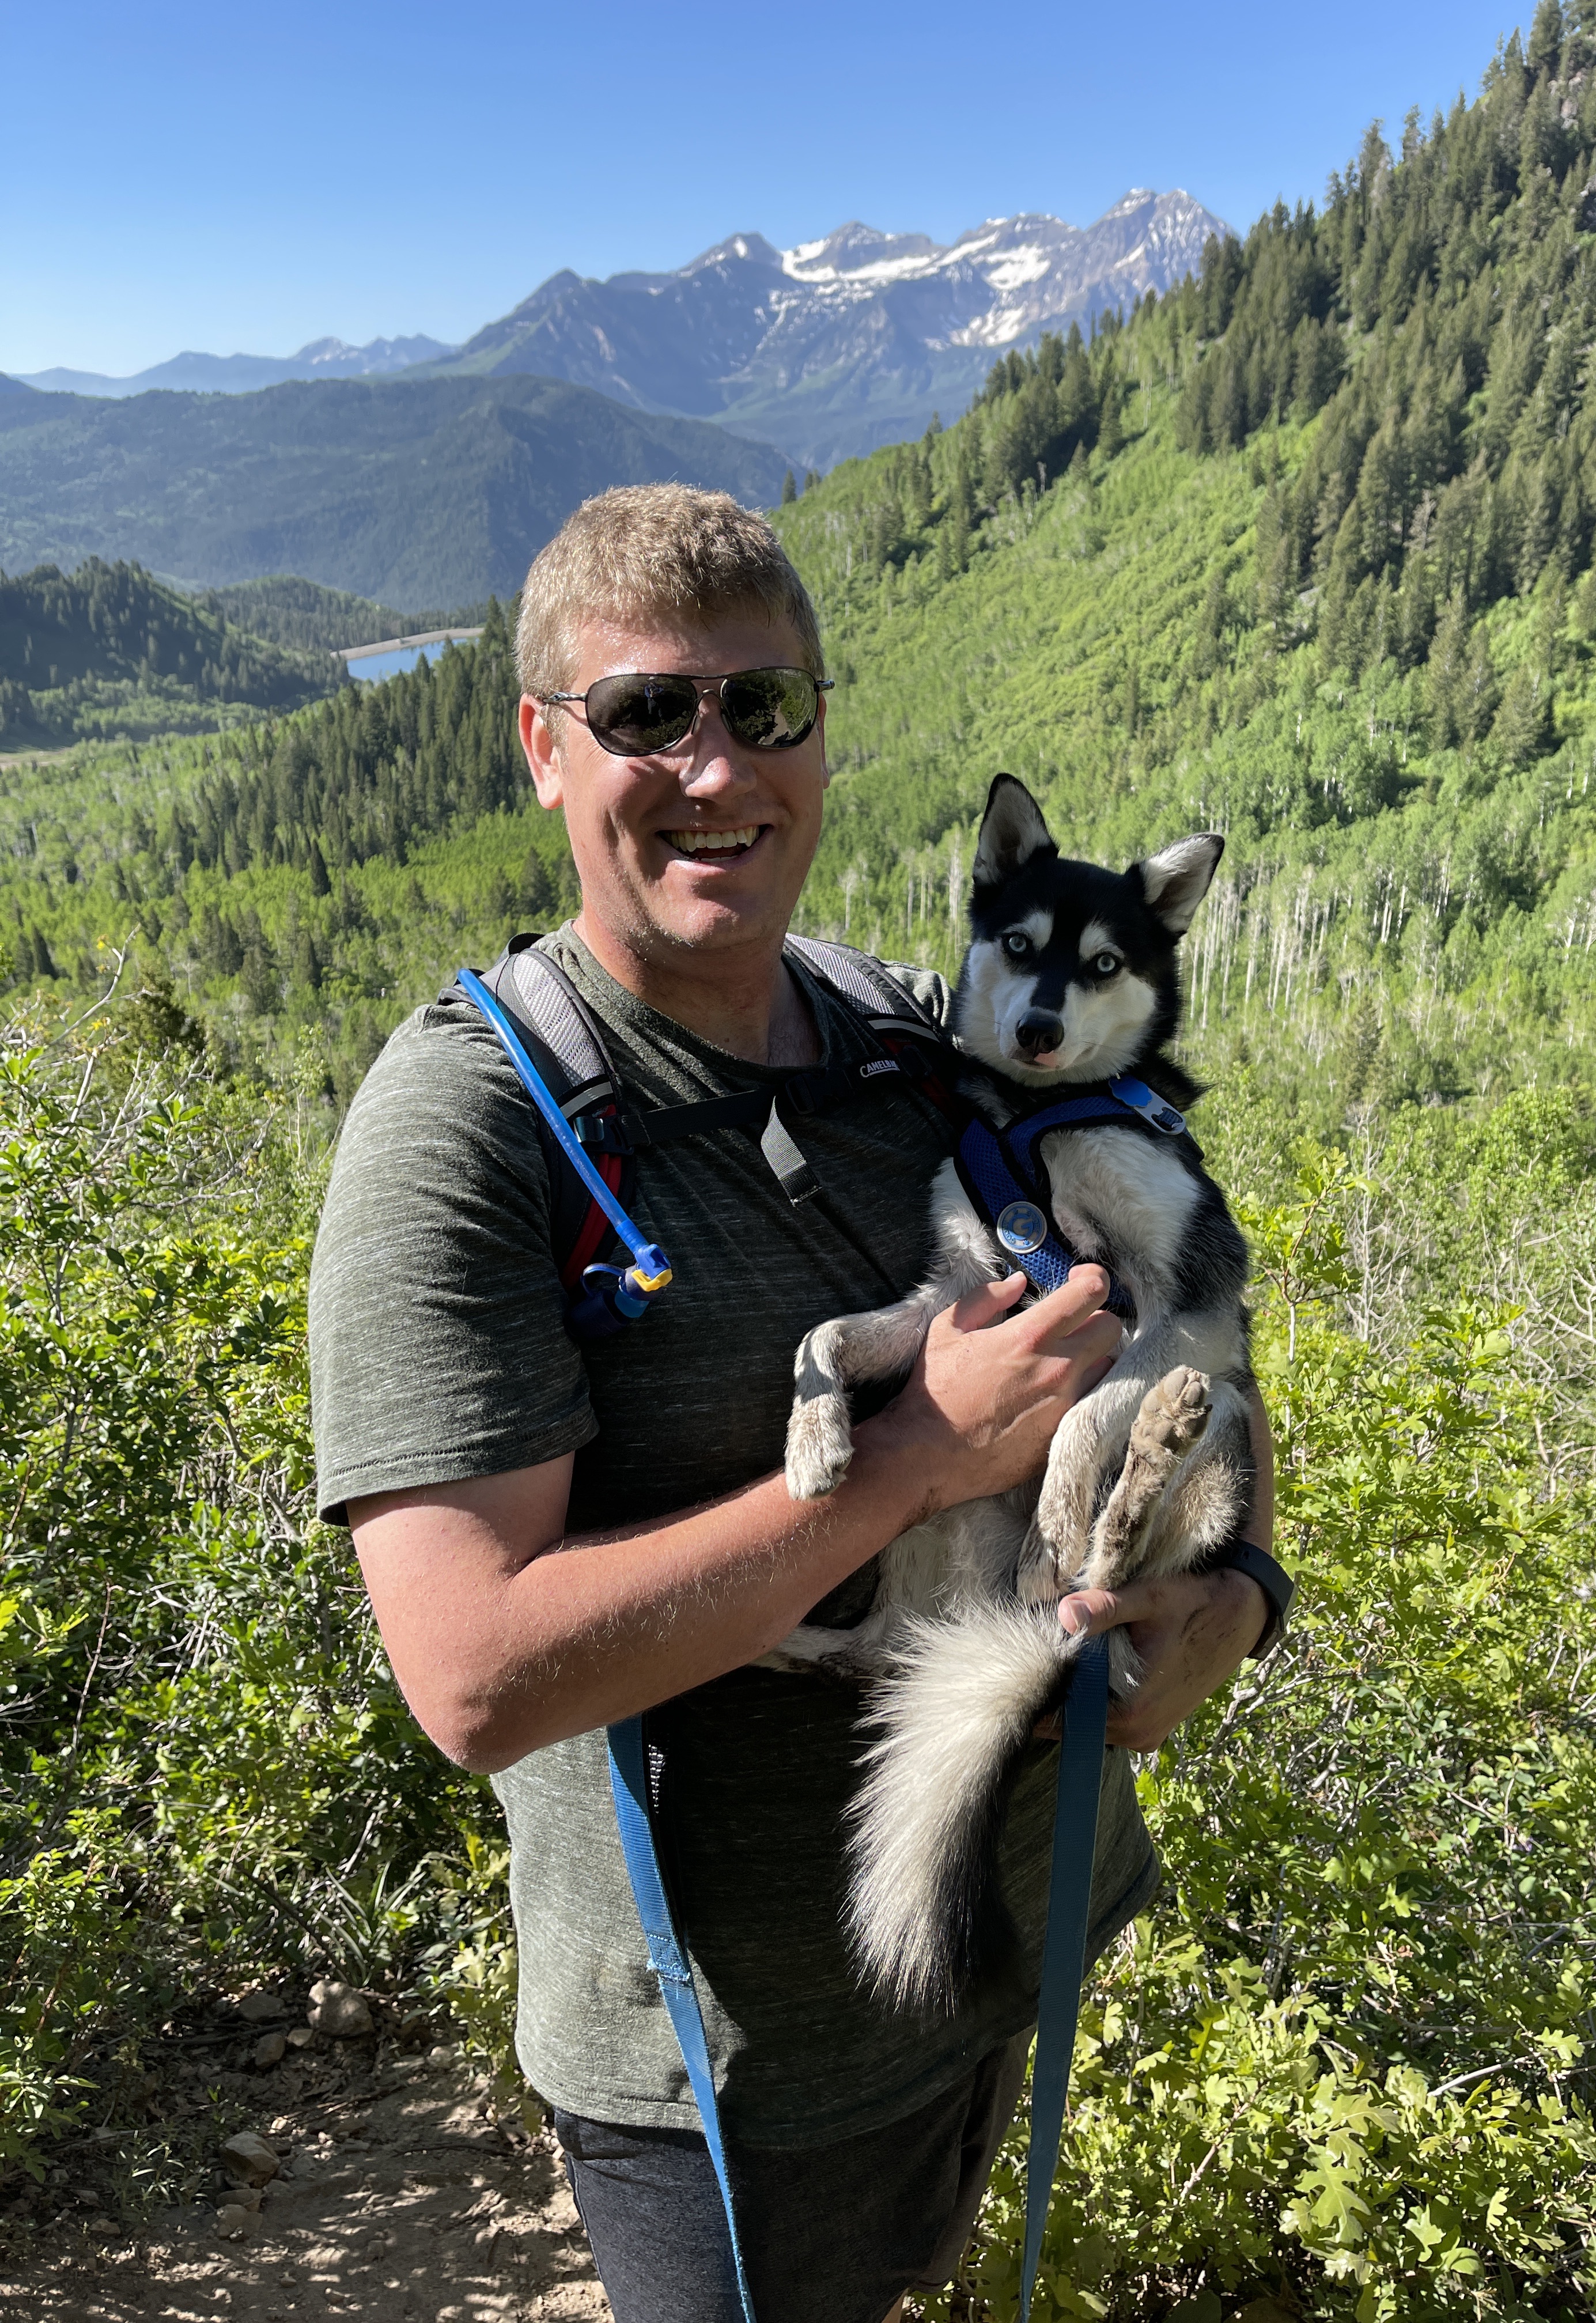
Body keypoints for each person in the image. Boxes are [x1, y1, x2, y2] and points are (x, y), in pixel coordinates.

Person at [308, 483, 1274, 2323]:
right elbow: (472, 1679)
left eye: (760, 708)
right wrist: (913, 1460)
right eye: (644, 713)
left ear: (821, 736)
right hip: (725, 2068)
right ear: (542, 747)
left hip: (1013, 1917)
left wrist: (1237, 1593)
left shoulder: (922, 1040)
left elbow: (1193, 1330)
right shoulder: (472, 1129)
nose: (714, 768)